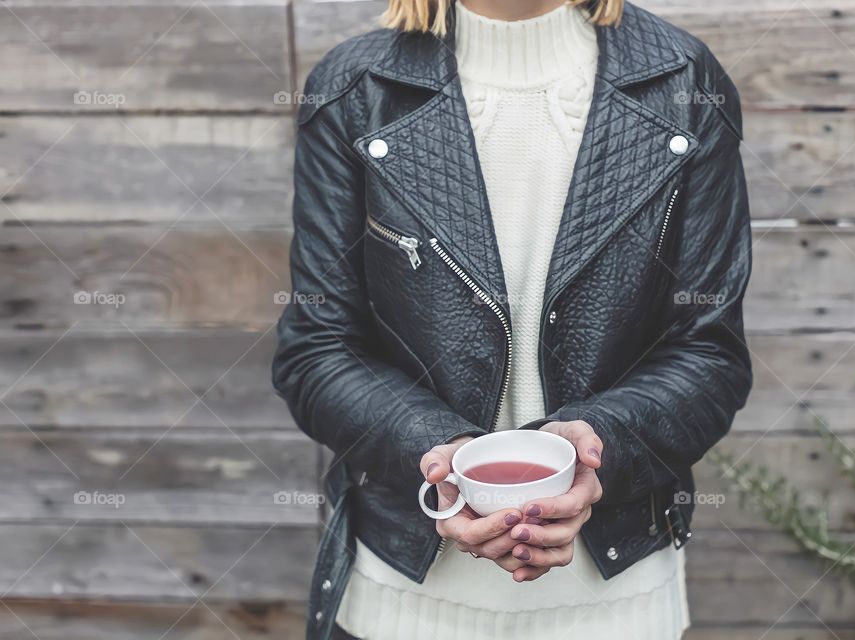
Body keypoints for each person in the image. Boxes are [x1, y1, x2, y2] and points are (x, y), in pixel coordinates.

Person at [272, 0, 752, 638]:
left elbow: (710, 353)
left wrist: (595, 451)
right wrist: (437, 454)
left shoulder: (683, 78)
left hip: (616, 601)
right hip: (401, 596)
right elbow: (317, 350)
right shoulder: (356, 86)